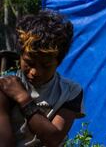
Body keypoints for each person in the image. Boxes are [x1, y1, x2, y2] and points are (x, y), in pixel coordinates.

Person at [0, 10, 84, 146]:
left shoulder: (70, 91)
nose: (35, 72)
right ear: (20, 56)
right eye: (29, 63)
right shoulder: (5, 87)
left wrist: (23, 98)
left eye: (45, 66)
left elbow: (53, 139)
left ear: (59, 62)